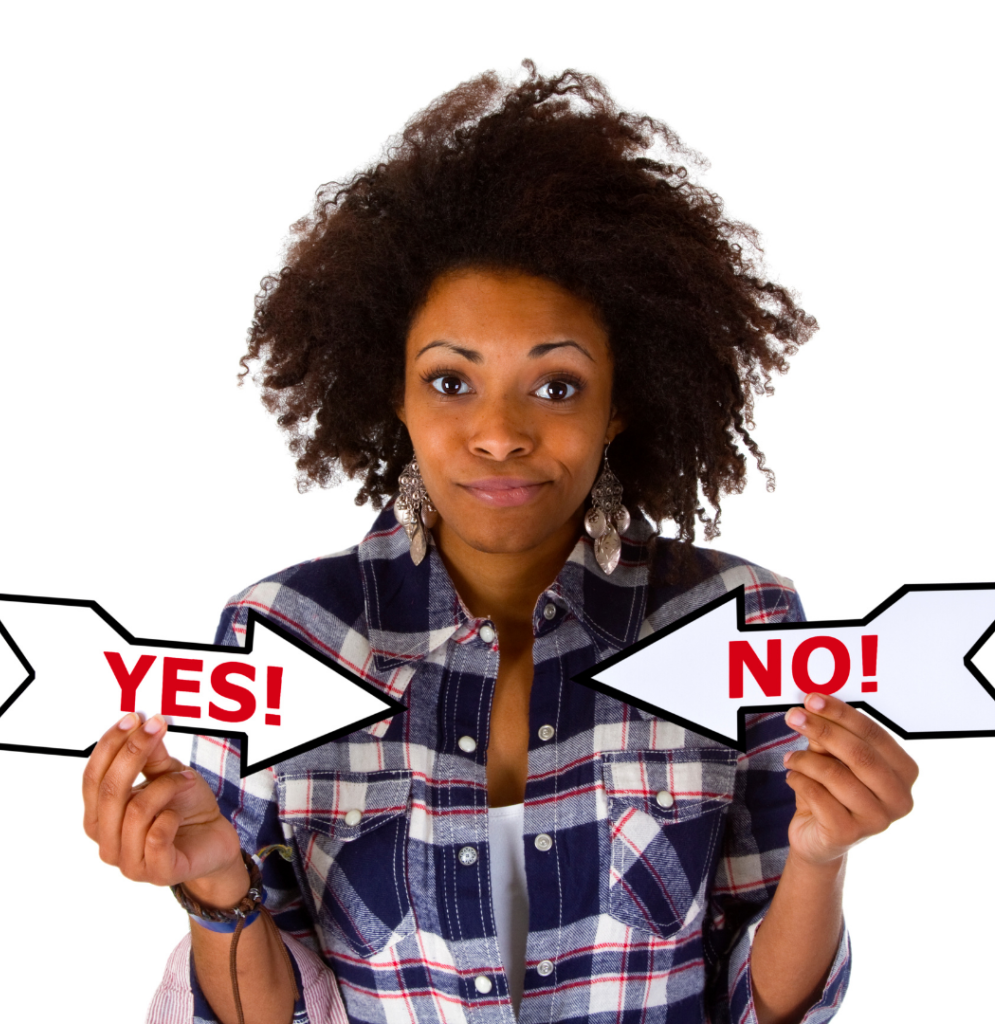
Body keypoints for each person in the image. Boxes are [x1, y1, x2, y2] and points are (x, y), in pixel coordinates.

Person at [81, 64, 917, 1024]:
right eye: (450, 382)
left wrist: (820, 858)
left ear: (620, 404)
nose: (500, 433)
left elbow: (761, 1008)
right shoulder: (283, 633)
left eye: (556, 385)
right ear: (392, 394)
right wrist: (216, 888)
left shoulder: (740, 621)